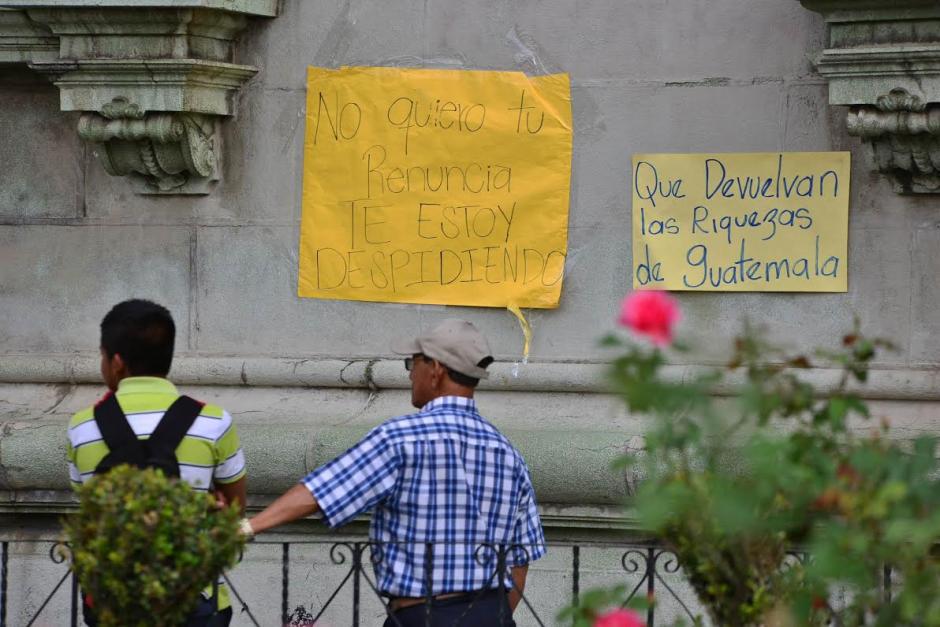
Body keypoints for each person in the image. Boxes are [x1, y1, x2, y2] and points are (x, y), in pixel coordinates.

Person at [244, 318, 546, 627]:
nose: (411, 374)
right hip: (492, 615)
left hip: (423, 616)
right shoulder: (507, 452)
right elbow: (519, 562)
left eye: (412, 363)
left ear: (436, 369)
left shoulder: (402, 437)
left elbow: (323, 490)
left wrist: (246, 528)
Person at [66, 299, 247, 627]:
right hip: (194, 599)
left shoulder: (82, 427)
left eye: (102, 356)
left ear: (117, 362)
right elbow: (234, 514)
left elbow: (89, 507)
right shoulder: (214, 422)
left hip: (112, 603)